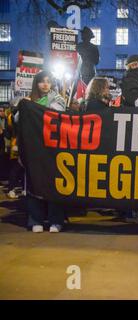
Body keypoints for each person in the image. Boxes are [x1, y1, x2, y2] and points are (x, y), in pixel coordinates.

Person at [22, 71, 66, 233]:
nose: (45, 84)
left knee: (55, 184)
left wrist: (32, 107)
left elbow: (55, 115)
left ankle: (56, 220)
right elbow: (20, 119)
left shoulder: (58, 99)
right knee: (34, 183)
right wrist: (24, 106)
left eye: (48, 81)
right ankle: (35, 220)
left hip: (53, 149)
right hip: (33, 148)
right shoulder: (28, 100)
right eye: (42, 81)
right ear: (36, 84)